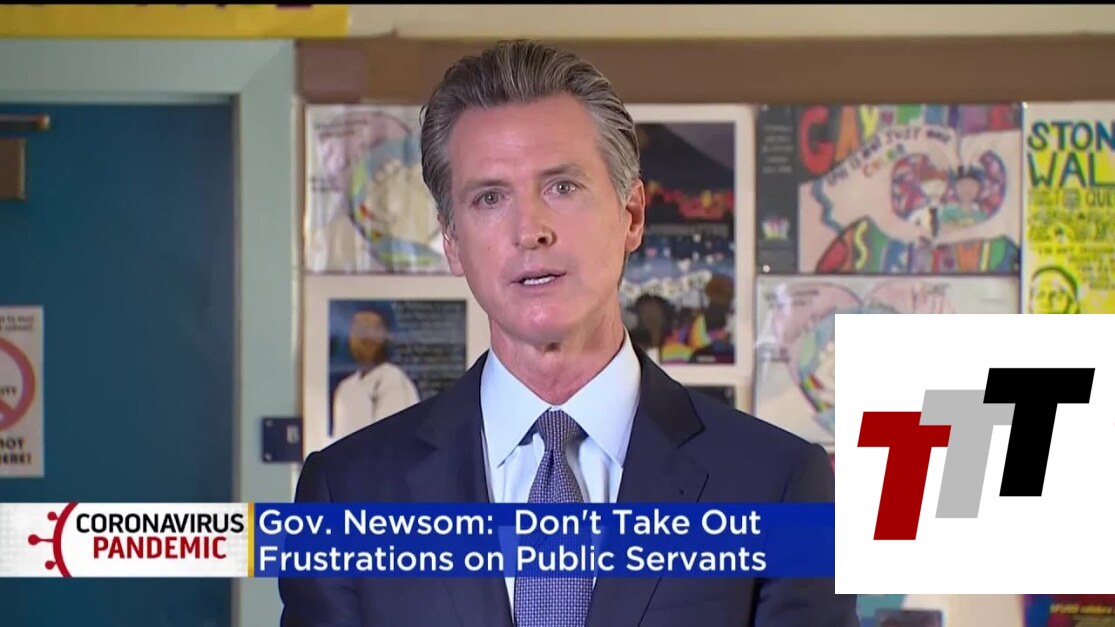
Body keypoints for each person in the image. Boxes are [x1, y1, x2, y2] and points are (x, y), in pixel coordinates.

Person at [281, 39, 857, 627]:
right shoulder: (344, 494)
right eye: (489, 197)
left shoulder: (778, 483)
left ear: (632, 216)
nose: (529, 231)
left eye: (561, 187)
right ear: (452, 243)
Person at [330, 308, 420, 440]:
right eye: (358, 329)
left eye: (370, 329)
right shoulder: (345, 387)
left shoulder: (393, 380)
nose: (363, 337)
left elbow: (390, 440)